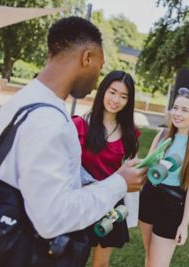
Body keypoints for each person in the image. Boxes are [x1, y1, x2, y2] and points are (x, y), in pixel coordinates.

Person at [0, 16, 146, 258]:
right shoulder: (52, 123)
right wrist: (120, 182)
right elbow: (52, 217)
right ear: (86, 57)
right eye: (100, 67)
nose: (97, 79)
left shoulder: (20, 101)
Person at [72, 70, 140, 267]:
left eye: (123, 96)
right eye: (112, 92)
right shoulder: (80, 125)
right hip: (82, 200)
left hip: (110, 204)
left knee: (101, 264)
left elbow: (127, 170)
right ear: (103, 91)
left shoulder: (130, 134)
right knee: (73, 258)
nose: (116, 100)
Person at [138, 87, 189, 267]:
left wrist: (184, 225)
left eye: (184, 110)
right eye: (175, 108)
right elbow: (147, 167)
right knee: (150, 256)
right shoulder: (161, 135)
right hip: (149, 198)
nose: (177, 113)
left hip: (171, 206)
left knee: (158, 264)